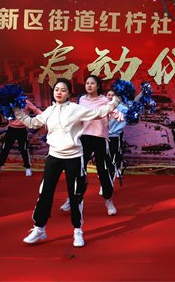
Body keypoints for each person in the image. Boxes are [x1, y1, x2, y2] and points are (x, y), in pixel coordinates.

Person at [14, 78, 120, 247]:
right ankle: (39, 228)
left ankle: (77, 230)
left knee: (75, 194)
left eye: (63, 90)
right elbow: (32, 123)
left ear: (69, 93)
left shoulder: (76, 109)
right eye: (57, 89)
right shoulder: (49, 111)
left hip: (74, 157)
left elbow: (99, 113)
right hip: (54, 157)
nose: (59, 92)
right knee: (45, 192)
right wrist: (16, 110)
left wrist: (115, 101)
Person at [61, 75, 118, 216]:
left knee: (103, 170)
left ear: (98, 86)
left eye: (92, 83)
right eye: (87, 83)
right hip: (84, 138)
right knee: (79, 170)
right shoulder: (82, 100)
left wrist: (120, 115)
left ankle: (108, 200)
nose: (89, 85)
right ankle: (72, 199)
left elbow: (113, 113)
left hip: (100, 138)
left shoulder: (105, 100)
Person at [0, 98, 42, 177]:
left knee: (24, 149)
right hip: (11, 128)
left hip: (22, 129)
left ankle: (27, 167)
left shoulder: (26, 102)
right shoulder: (11, 101)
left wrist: (43, 117)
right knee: (5, 148)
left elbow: (36, 110)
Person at [106, 89, 128, 185]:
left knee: (115, 155)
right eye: (108, 95)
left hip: (115, 136)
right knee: (105, 156)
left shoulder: (121, 107)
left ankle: (116, 169)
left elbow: (131, 110)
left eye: (113, 95)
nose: (110, 97)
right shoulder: (103, 107)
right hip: (103, 136)